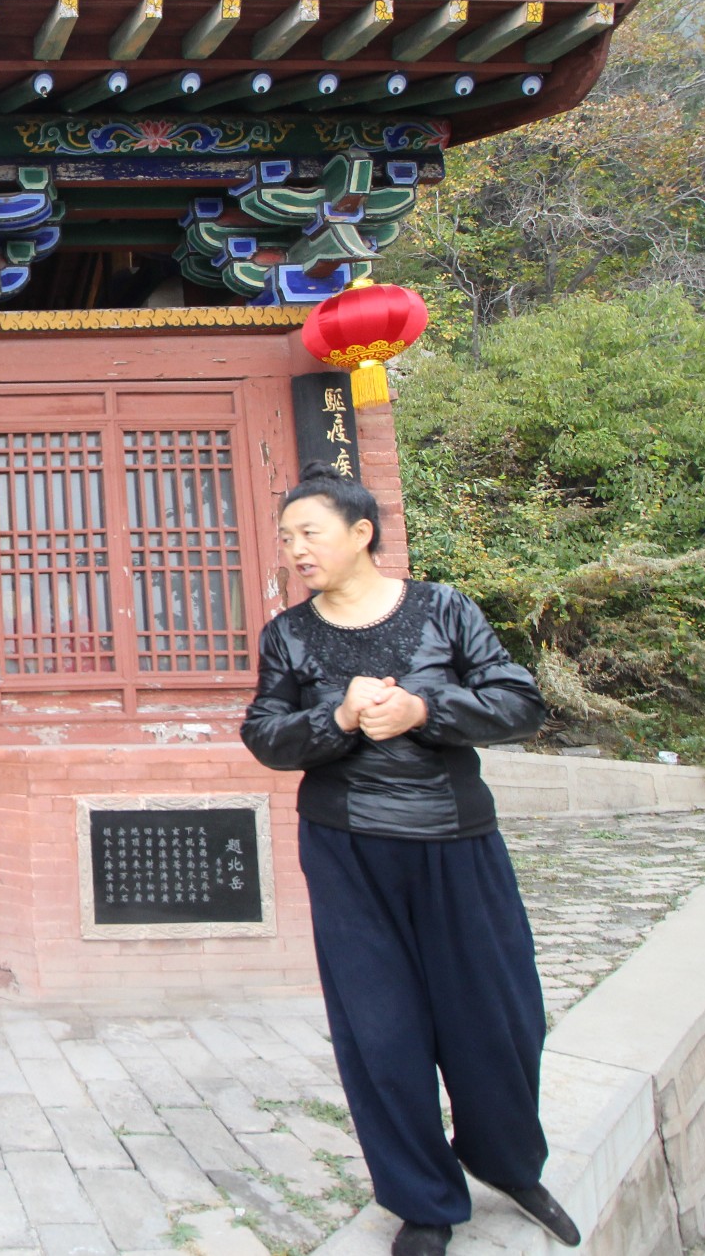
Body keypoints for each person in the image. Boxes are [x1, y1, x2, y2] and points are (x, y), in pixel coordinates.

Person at [240, 461, 581, 1256]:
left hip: (456, 840)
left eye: (309, 532)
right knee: (380, 1029)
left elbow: (519, 702)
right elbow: (265, 734)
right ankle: (422, 1198)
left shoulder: (444, 609)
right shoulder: (288, 632)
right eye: (287, 537)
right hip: (348, 850)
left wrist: (427, 708)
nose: (296, 549)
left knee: (498, 1017)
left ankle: (505, 1160)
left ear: (362, 533)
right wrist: (341, 717)